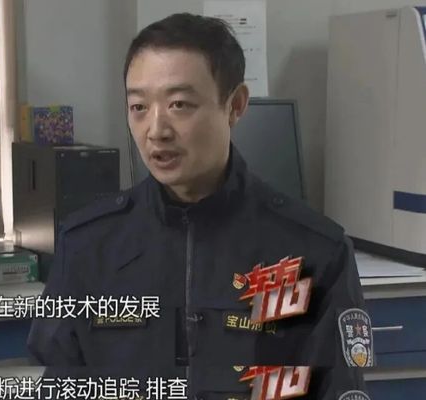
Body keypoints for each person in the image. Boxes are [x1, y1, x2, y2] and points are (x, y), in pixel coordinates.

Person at [28, 13, 373, 400]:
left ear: (235, 105)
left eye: (179, 104)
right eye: (139, 107)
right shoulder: (88, 247)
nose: (156, 130)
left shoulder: (316, 252)